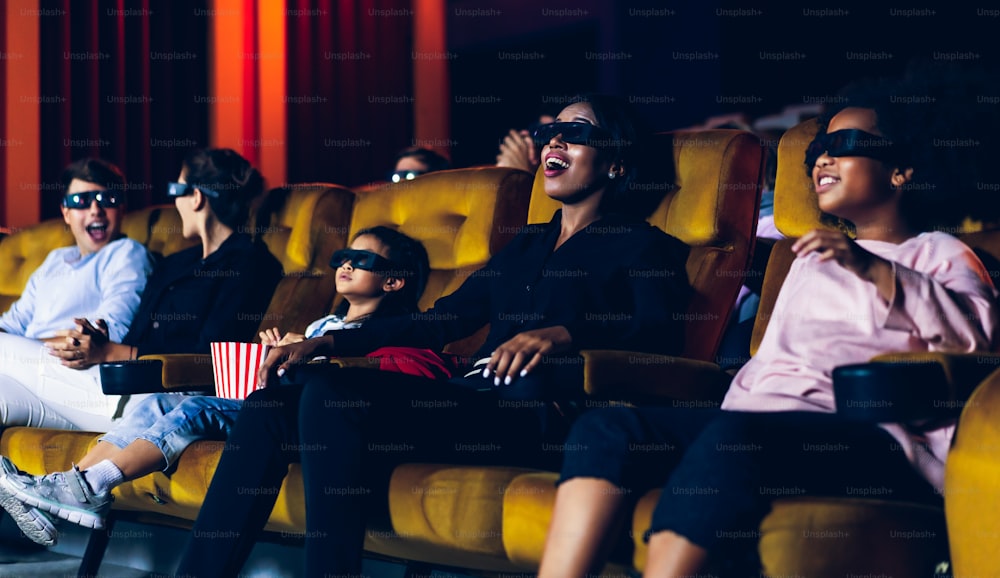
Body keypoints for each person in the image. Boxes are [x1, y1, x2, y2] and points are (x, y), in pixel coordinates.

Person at [173, 93, 691, 577]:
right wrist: (330, 340)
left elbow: (660, 336)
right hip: (468, 398)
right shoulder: (529, 244)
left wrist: (563, 334)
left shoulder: (644, 247)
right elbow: (440, 320)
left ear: (617, 163)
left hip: (537, 415)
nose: (554, 140)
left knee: (333, 396)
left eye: (575, 133)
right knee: (268, 406)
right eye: (552, 131)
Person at [536, 65, 1000, 578]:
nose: (823, 157)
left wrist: (873, 268)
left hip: (871, 436)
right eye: (819, 148)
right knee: (607, 428)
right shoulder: (809, 258)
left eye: (846, 144)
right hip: (759, 420)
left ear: (902, 169)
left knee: (735, 438)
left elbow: (973, 341)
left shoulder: (938, 253)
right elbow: (770, 363)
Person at [0, 226, 431, 544]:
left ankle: (92, 485)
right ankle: (74, 484)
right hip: (267, 400)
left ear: (393, 282)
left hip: (295, 419)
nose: (347, 264)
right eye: (342, 255)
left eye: (364, 260)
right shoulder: (323, 323)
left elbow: (371, 380)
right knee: (162, 402)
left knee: (194, 411)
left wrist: (314, 354)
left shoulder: (392, 330)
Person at [0, 148, 283, 546]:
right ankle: (52, 494)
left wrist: (109, 352)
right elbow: (132, 334)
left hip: (157, 386)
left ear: (197, 197)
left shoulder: (250, 263)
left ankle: (63, 491)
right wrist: (102, 342)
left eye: (176, 189)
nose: (173, 202)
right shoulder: (176, 264)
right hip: (127, 380)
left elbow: (209, 352)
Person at [0, 158, 153, 344]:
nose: (95, 210)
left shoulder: (127, 254)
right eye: (81, 201)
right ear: (66, 213)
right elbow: (12, 323)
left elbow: (110, 332)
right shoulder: (56, 258)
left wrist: (26, 348)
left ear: (121, 209)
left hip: (65, 364)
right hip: (18, 360)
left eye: (107, 199)